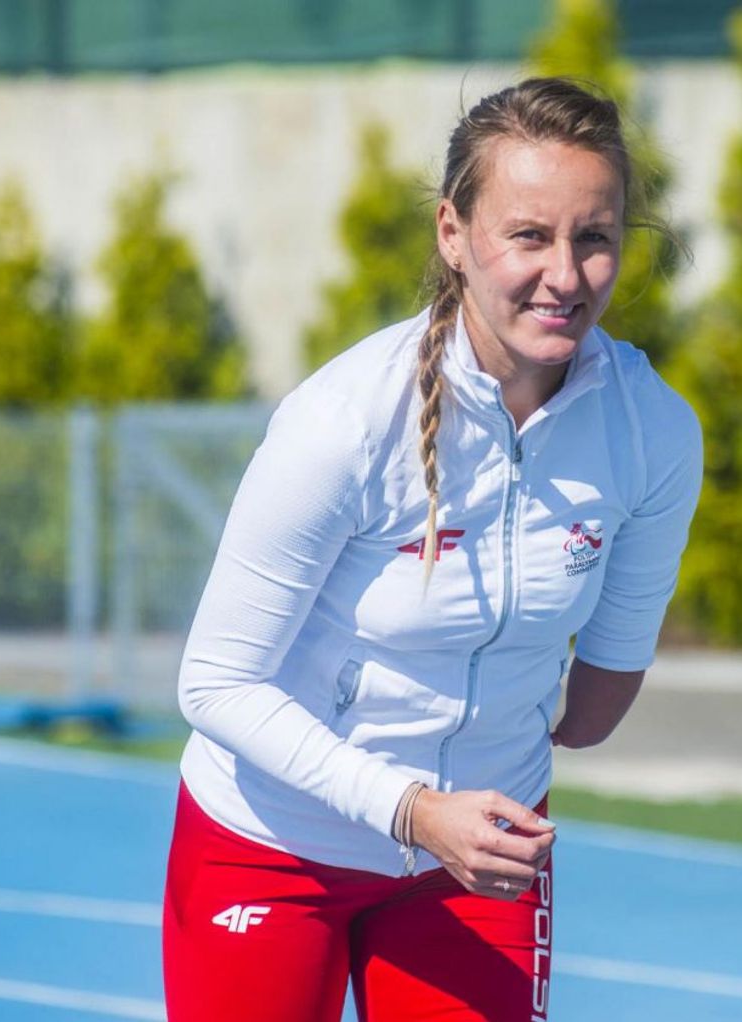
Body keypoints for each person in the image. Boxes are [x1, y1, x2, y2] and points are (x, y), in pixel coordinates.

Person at [161, 76, 703, 1022]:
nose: (565, 275)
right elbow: (214, 683)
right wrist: (414, 807)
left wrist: (497, 754)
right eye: (528, 236)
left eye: (594, 237)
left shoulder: (652, 429)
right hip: (272, 843)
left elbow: (602, 691)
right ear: (453, 233)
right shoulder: (343, 422)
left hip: (480, 861)